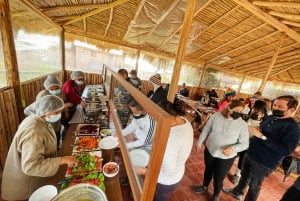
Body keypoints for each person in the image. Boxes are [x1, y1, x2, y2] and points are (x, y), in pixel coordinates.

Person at [223, 95, 300, 201]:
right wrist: (257, 129)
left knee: (254, 185)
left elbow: (286, 150)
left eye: (280, 107)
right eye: (275, 105)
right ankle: (237, 192)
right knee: (244, 175)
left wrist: (262, 137)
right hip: (251, 152)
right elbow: (262, 128)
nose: (275, 108)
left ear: (292, 109)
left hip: (265, 162)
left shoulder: (293, 127)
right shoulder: (271, 117)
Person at [1, 95, 78, 201]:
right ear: (45, 111)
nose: (59, 115)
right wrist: (63, 160)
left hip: (33, 178)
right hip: (25, 187)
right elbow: (31, 166)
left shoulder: (39, 119)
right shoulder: (34, 131)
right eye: (56, 112)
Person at [135, 100, 193, 201]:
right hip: (178, 172)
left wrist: (143, 171)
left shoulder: (170, 139)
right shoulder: (184, 120)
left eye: (155, 119)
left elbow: (168, 171)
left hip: (165, 181)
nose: (154, 122)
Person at [191, 100, 249, 201]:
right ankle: (204, 187)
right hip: (210, 150)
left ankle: (216, 195)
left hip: (226, 157)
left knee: (219, 177)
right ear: (229, 108)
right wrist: (199, 142)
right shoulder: (216, 116)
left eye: (241, 111)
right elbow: (206, 129)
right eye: (236, 110)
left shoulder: (242, 124)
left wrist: (233, 148)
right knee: (208, 169)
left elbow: (245, 144)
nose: (239, 113)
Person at [230, 102, 267, 185]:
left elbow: (261, 137)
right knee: (231, 156)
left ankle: (237, 175)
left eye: (258, 112)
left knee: (242, 160)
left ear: (262, 115)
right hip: (237, 141)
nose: (255, 112)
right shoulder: (246, 118)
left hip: (248, 145)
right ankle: (225, 168)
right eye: (254, 110)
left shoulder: (262, 125)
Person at [36, 74, 73, 148]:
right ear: (47, 88)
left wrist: (66, 115)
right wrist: (63, 106)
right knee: (48, 142)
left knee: (57, 136)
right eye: (52, 89)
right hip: (46, 122)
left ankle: (57, 150)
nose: (55, 90)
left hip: (57, 121)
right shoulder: (42, 95)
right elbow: (42, 111)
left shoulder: (62, 94)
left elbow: (64, 105)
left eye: (57, 88)